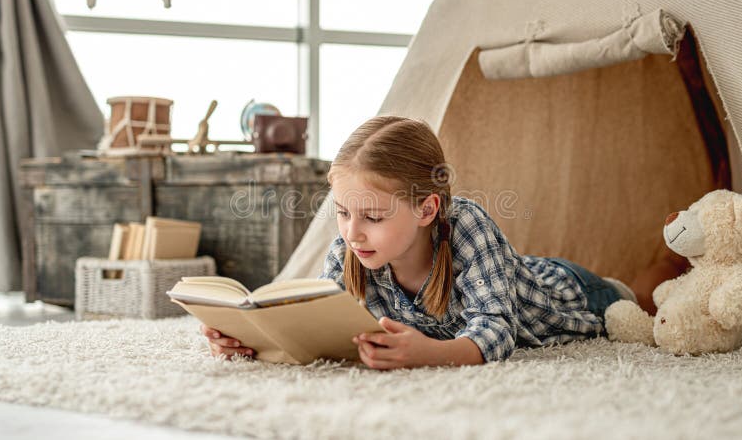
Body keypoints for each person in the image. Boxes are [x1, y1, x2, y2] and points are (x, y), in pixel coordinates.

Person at [202, 116, 665, 369]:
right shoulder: (354, 246)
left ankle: (671, 253)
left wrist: (433, 354)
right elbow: (324, 323)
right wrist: (251, 340)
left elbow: (497, 332)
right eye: (342, 212)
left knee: (648, 301)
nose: (352, 231)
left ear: (426, 210)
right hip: (516, 277)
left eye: (373, 216)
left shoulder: (465, 224)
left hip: (568, 294)